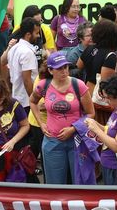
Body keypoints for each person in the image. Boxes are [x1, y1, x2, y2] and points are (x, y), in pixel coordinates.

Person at [32, 52, 91, 184]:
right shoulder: (44, 85)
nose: (64, 71)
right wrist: (41, 123)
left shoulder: (78, 85)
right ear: (50, 70)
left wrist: (73, 128)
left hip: (76, 141)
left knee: (79, 181)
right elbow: (32, 102)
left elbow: (91, 113)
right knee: (55, 184)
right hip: (52, 141)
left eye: (65, 67)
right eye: (59, 68)